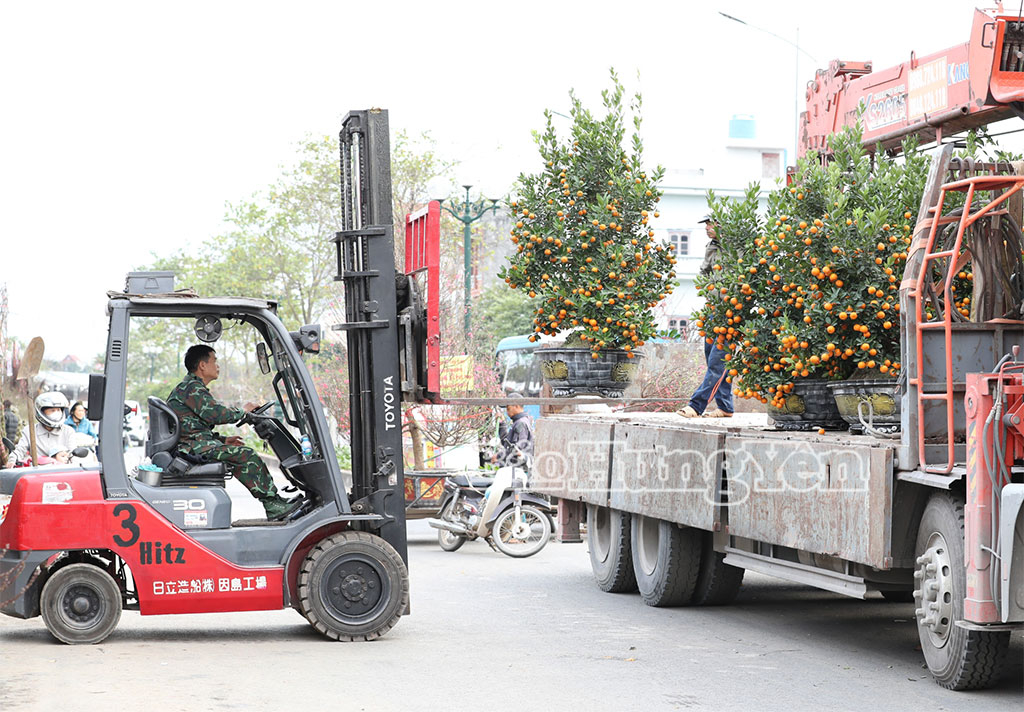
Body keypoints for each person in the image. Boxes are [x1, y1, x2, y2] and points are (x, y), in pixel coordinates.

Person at [166, 344, 301, 520]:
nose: (218, 365)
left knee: (241, 452)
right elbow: (216, 414)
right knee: (246, 455)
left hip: (193, 444)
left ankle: (274, 501)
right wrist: (243, 411)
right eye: (214, 361)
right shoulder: (191, 388)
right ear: (202, 365)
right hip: (190, 448)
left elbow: (194, 428)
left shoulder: (191, 388)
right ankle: (272, 505)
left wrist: (223, 439)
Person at [678, 215, 734, 418]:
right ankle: (726, 406)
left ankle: (696, 405)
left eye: (711, 224)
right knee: (711, 353)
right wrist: (708, 289)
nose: (707, 228)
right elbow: (704, 271)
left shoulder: (735, 247)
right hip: (713, 309)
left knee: (717, 361)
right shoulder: (711, 246)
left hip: (730, 312)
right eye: (706, 224)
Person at [5, 391, 76, 466]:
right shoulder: (30, 430)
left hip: (61, 473)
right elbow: (20, 449)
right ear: (42, 412)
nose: (56, 413)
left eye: (58, 410)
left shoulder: (68, 431)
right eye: (52, 410)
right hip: (37, 473)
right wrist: (12, 460)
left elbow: (74, 455)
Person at [495, 393, 534, 467]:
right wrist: (502, 424)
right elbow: (507, 443)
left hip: (517, 469)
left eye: (508, 408)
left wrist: (498, 456)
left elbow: (516, 449)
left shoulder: (521, 423)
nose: (507, 411)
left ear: (516, 406)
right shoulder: (519, 421)